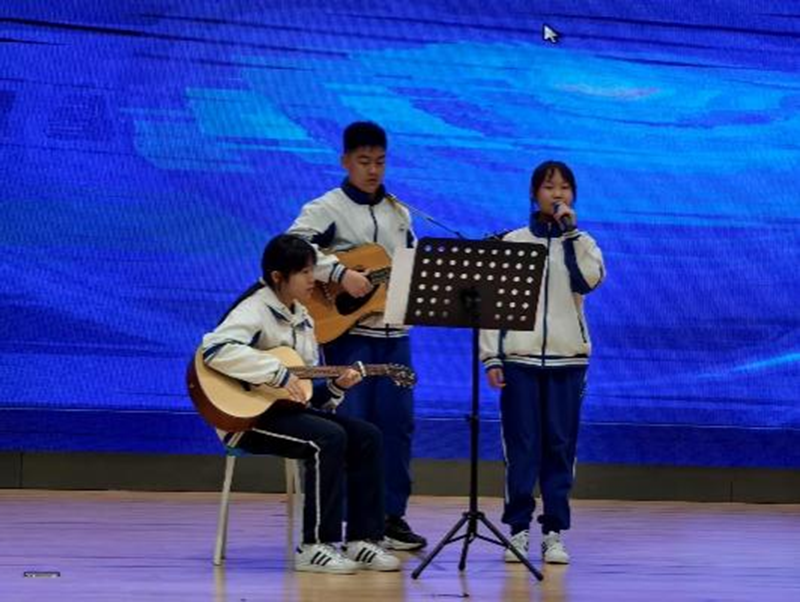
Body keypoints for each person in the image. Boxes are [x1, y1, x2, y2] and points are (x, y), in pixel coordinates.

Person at [201, 234, 401, 574]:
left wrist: (336, 386)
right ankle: (315, 545)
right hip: (246, 419)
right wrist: (274, 372)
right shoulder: (254, 309)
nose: (313, 279)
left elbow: (307, 394)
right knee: (328, 438)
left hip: (287, 413)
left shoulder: (304, 318)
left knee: (367, 435)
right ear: (278, 277)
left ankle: (363, 538)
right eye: (305, 273)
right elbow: (214, 349)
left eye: (312, 270)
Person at [286, 121, 426, 550]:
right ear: (345, 161)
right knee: (353, 426)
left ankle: (390, 518)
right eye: (364, 161)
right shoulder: (326, 207)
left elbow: (406, 263)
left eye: (380, 162)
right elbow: (292, 248)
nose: (373, 170)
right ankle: (346, 523)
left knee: (398, 426)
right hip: (349, 335)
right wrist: (338, 273)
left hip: (395, 334)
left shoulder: (400, 213)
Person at [479, 160, 605, 564]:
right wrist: (492, 356)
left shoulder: (583, 242)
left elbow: (587, 281)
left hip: (568, 362)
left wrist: (570, 235)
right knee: (522, 448)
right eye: (550, 187)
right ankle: (517, 530)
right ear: (535, 194)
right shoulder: (512, 242)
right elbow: (491, 307)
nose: (558, 194)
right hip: (519, 360)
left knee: (560, 447)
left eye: (565, 187)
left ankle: (553, 532)